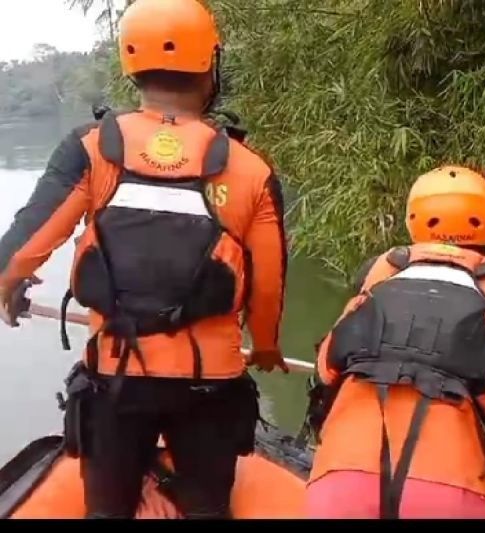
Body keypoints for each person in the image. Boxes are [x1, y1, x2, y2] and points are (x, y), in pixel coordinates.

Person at [0, 0, 288, 519]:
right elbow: (267, 286)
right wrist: (265, 346)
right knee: (206, 509)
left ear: (130, 62)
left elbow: (20, 251)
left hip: (116, 378)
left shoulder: (92, 149)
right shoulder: (249, 168)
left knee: (107, 512)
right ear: (211, 64)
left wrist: (10, 286)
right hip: (212, 381)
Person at [301, 165, 485, 519]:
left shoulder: (377, 274)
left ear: (413, 217)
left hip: (342, 479)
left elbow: (327, 378)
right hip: (452, 491)